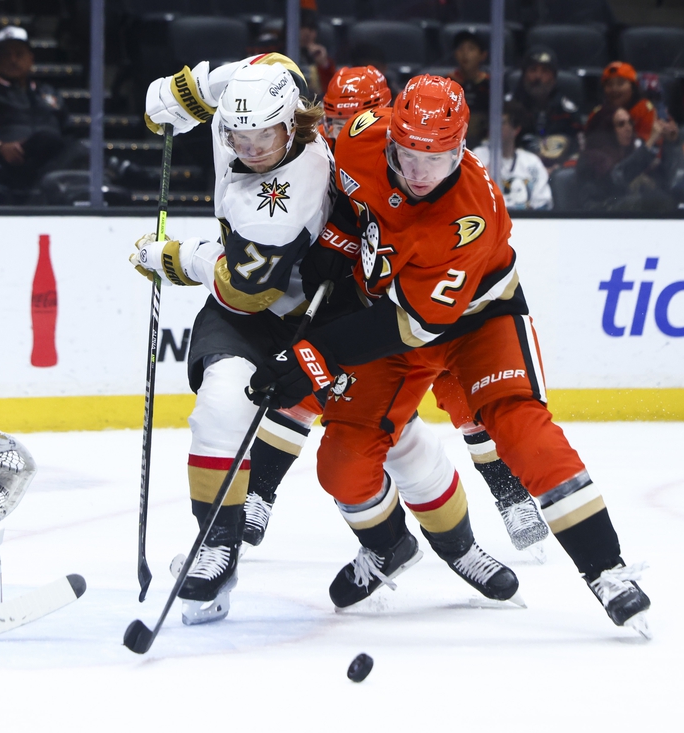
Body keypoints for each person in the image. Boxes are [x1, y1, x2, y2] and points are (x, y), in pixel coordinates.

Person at [255, 74, 651, 634]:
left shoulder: (471, 215)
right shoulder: (360, 136)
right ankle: (389, 546)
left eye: (437, 159)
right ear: (391, 136)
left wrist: (316, 352)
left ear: (461, 148)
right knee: (342, 463)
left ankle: (606, 569)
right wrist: (336, 245)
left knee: (519, 426)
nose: (420, 172)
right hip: (390, 314)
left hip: (475, 323)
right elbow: (350, 196)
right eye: (409, 155)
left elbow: (412, 325)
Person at [136, 55, 519, 625]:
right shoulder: (264, 92)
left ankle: (455, 547)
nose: (252, 148)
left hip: (323, 315)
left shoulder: (297, 190)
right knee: (220, 406)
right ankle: (217, 547)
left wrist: (174, 258)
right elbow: (258, 68)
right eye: (239, 134)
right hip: (257, 313)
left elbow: (246, 286)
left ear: (292, 122)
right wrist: (180, 94)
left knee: (393, 436)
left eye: (266, 135)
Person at [323, 67, 550, 552]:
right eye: (333, 120)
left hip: (446, 311)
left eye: (350, 118)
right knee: (329, 405)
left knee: (470, 408)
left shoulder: (435, 170)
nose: (340, 129)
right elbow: (353, 210)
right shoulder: (352, 152)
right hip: (390, 309)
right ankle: (259, 496)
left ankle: (510, 495)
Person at [0, 26, 85, 189]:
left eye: (19, 54)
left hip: (53, 154)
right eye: (6, 55)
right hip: (13, 160)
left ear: (31, 59)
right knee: (47, 139)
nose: (13, 60)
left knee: (76, 148)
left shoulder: (48, 92)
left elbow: (68, 130)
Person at [576, 106, 681, 212]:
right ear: (607, 129)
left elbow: (665, 181)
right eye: (621, 124)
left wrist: (671, 144)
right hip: (600, 214)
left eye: (630, 123)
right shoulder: (592, 157)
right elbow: (617, 177)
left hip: (633, 215)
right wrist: (651, 142)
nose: (628, 128)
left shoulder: (632, 152)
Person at [508, 46, 582, 172]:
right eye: (533, 70)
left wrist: (558, 168)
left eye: (545, 71)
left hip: (557, 170)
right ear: (524, 75)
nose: (538, 76)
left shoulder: (567, 111)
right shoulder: (510, 107)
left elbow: (578, 150)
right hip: (516, 169)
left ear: (554, 76)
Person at [473, 100, 553, 210]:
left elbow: (542, 204)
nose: (495, 127)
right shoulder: (477, 157)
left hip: (526, 220)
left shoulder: (532, 162)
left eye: (502, 123)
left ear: (516, 130)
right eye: (493, 122)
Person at [586, 62, 658, 144]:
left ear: (633, 87)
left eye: (620, 83)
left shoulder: (643, 109)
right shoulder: (597, 114)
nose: (614, 89)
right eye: (609, 84)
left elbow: (645, 146)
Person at [447, 29, 490, 149]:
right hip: (451, 143)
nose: (465, 54)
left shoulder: (490, 84)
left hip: (485, 145)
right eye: (461, 49)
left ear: (483, 55)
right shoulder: (447, 82)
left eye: (471, 49)